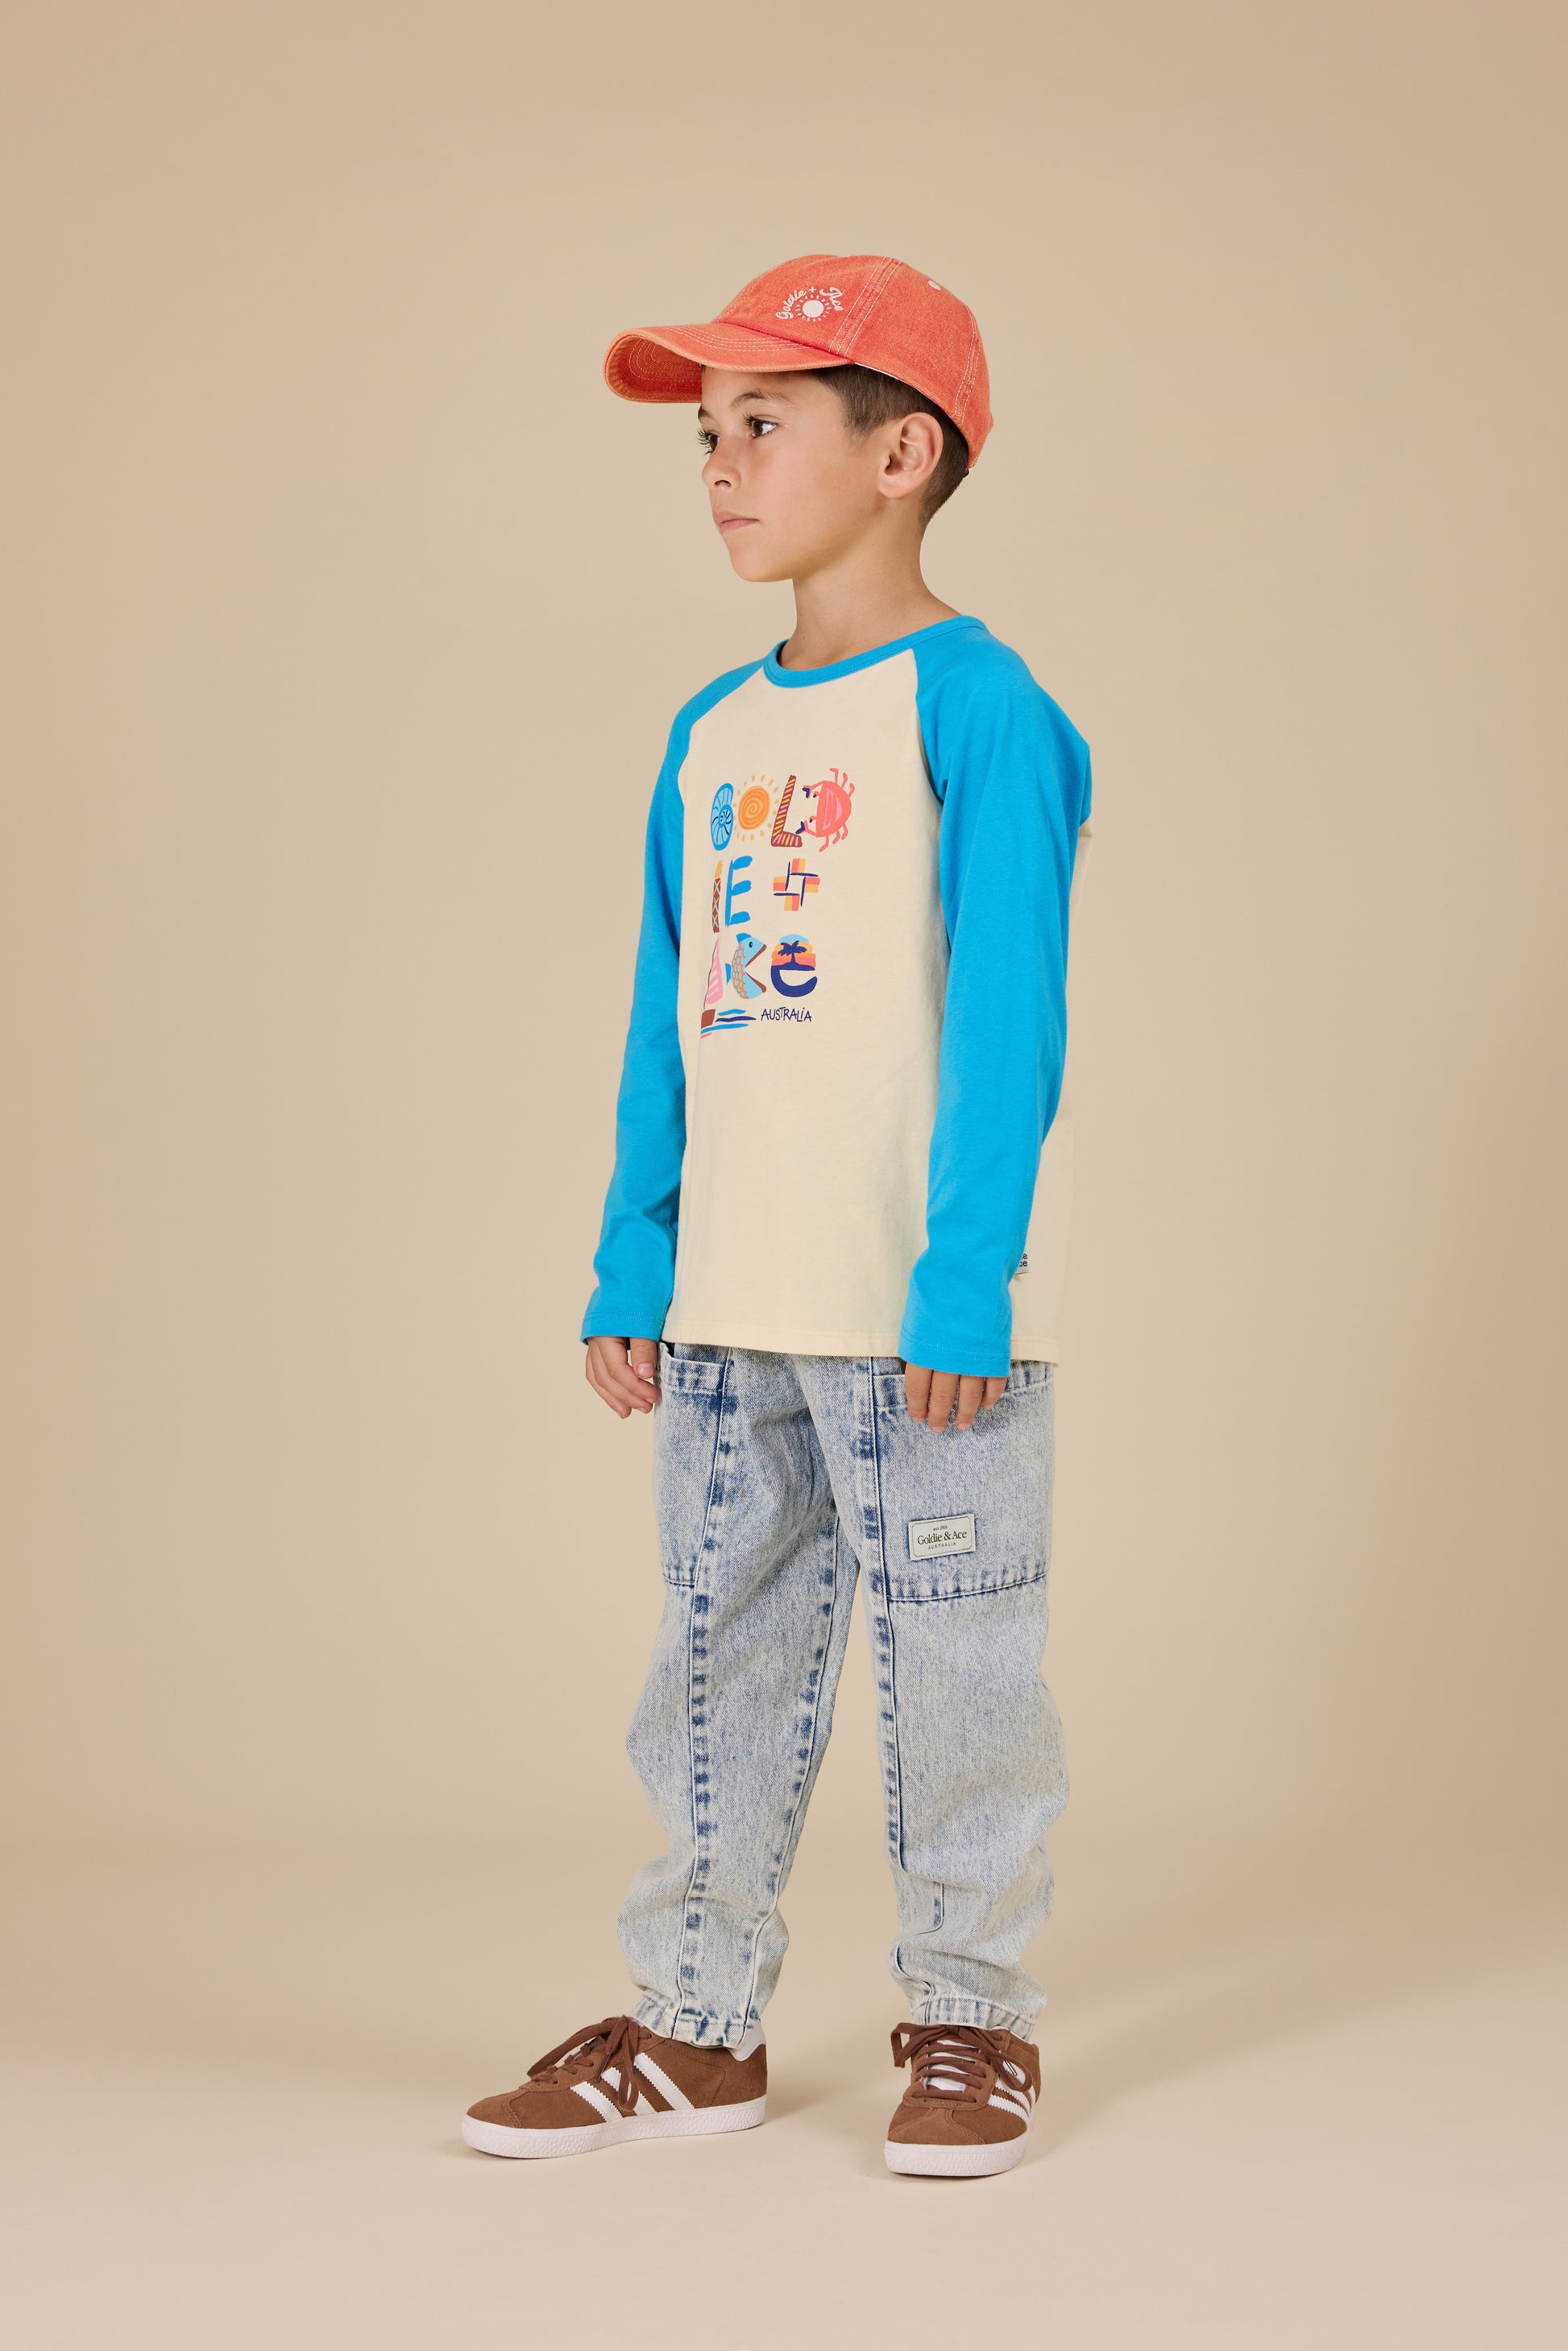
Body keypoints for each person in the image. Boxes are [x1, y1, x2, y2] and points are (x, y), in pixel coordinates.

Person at [464, 254, 1093, 2179]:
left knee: (958, 1671)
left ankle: (972, 2017)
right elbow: (670, 1016)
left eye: (762, 424)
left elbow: (1007, 1022)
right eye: (706, 435)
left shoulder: (982, 711)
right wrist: (633, 1257)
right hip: (734, 1301)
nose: (720, 465)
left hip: (920, 1321)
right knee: (715, 1662)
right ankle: (695, 2021)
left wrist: (965, 1283)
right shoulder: (710, 732)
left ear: (902, 456)